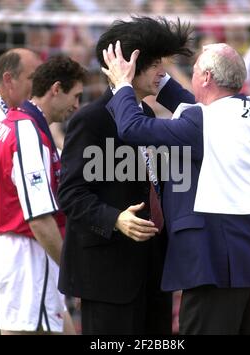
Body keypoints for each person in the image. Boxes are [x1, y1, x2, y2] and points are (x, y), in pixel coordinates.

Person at [102, 41, 250, 335]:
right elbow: (197, 106)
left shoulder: (203, 122)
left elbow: (132, 128)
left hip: (217, 265)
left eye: (197, 68)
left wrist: (123, 85)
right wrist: (159, 80)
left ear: (207, 78)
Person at [57, 16, 194, 335]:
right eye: (156, 63)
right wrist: (114, 218)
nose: (163, 71)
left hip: (152, 272)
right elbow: (71, 194)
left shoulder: (144, 115)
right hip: (108, 277)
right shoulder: (90, 120)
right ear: (131, 66)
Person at [0, 55, 88, 335]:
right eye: (76, 96)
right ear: (56, 89)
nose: (77, 106)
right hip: (27, 258)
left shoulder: (12, 123)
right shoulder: (28, 133)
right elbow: (40, 219)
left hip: (12, 254)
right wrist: (75, 276)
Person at [0, 48, 42, 335]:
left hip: (16, 237)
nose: (39, 84)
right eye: (34, 77)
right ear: (9, 80)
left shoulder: (29, 118)